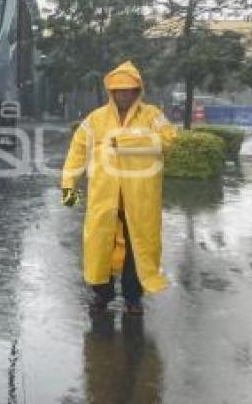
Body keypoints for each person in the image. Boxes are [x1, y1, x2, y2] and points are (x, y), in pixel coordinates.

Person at [62, 61, 176, 315]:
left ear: (138, 91)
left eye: (129, 90)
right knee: (98, 245)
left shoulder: (152, 116)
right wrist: (68, 186)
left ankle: (133, 298)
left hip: (140, 198)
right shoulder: (96, 119)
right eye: (119, 90)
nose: (124, 94)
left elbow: (168, 140)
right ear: (111, 92)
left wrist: (125, 141)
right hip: (104, 197)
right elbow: (77, 152)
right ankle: (101, 295)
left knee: (138, 248)